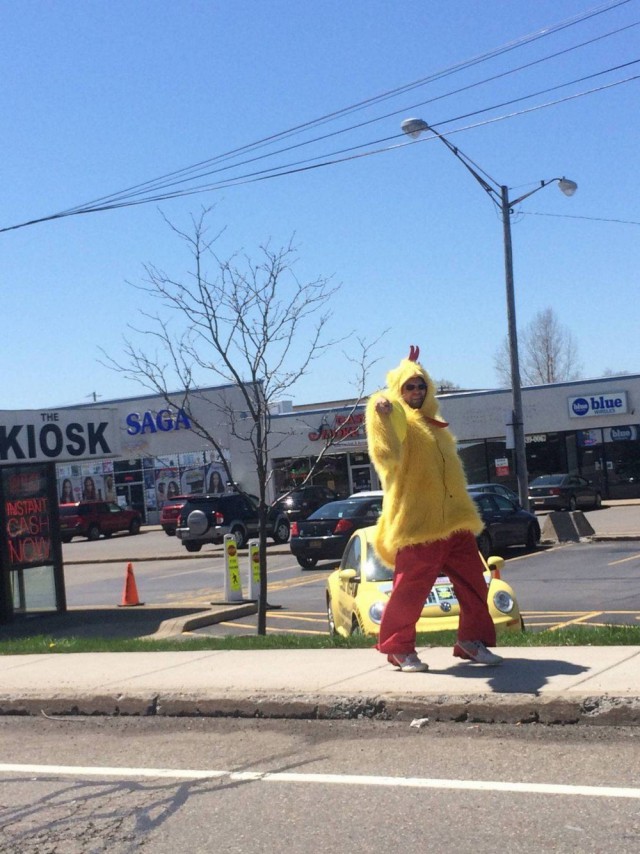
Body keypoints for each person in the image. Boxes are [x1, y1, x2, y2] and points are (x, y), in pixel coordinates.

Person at [365, 345, 503, 672]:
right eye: (409, 386)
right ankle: (398, 648)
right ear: (399, 390)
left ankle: (472, 641)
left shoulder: (434, 424)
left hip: (455, 522)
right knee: (410, 591)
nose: (415, 391)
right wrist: (382, 410)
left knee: (474, 584)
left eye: (420, 385)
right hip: (418, 524)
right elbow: (387, 442)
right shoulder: (400, 418)